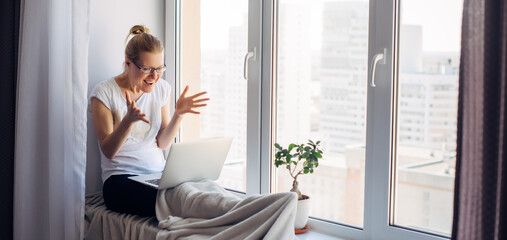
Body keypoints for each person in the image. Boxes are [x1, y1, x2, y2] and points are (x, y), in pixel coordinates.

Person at [89, 25, 209, 216]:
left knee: (202, 189)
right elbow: (108, 150)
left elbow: (162, 143)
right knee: (176, 201)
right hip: (120, 180)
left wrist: (178, 115)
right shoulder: (104, 93)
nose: (155, 76)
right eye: (147, 69)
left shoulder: (161, 88)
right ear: (128, 63)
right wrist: (128, 122)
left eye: (159, 68)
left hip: (157, 175)